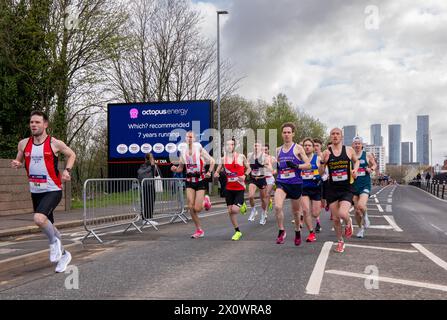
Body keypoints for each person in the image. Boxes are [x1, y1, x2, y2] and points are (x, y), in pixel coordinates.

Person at [11, 110, 76, 273]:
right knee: (50, 227)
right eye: (32, 122)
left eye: (37, 122)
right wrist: (17, 163)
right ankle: (64, 255)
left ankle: (54, 244)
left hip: (53, 189)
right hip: (36, 191)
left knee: (39, 219)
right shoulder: (23, 143)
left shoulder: (54, 143)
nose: (33, 125)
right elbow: (18, 160)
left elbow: (71, 154)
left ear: (45, 124)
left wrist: (67, 170)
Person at [320, 128, 359, 253]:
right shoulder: (326, 152)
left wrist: (355, 170)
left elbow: (356, 161)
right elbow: (321, 173)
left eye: (337, 134)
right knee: (336, 219)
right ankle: (340, 241)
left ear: (341, 136)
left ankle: (348, 221)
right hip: (332, 188)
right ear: (330, 137)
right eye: (333, 134)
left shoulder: (348, 150)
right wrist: (322, 162)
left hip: (346, 188)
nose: (335, 136)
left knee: (343, 214)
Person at [171, 131, 215, 239]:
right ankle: (199, 230)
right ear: (185, 139)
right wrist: (175, 169)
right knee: (190, 206)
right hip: (190, 180)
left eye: (191, 137)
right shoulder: (183, 151)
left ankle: (205, 201)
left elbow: (212, 161)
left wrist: (209, 172)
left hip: (200, 180)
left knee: (197, 209)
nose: (189, 139)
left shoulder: (198, 147)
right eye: (187, 137)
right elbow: (181, 168)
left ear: (194, 139)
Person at [274, 123, 311, 246]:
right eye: (284, 132)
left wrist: (296, 166)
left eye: (289, 132)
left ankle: (297, 231)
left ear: (293, 134)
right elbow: (276, 166)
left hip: (295, 183)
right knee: (278, 207)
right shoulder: (278, 150)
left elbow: (308, 165)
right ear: (282, 134)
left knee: (296, 212)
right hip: (282, 182)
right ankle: (281, 230)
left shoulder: (298, 148)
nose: (286, 134)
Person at [214, 139, 251, 241]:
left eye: (231, 144)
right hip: (229, 188)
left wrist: (244, 175)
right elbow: (217, 170)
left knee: (235, 210)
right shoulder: (223, 159)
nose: (229, 146)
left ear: (234, 146)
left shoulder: (241, 156)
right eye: (227, 145)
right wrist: (216, 173)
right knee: (230, 211)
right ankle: (237, 231)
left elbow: (249, 168)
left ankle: (242, 204)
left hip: (239, 187)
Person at [352, 136, 377, 238]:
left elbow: (374, 165)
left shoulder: (367, 154)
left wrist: (371, 169)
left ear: (362, 145)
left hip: (364, 184)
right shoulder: (350, 156)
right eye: (355, 143)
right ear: (353, 145)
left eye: (359, 143)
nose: (357, 145)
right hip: (353, 185)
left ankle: (366, 217)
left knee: (361, 206)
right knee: (357, 211)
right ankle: (360, 228)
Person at [300, 138, 323, 243]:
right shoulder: (299, 159)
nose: (307, 147)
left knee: (315, 213)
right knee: (305, 210)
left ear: (313, 148)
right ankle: (311, 233)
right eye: (305, 145)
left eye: (309, 145)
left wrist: (319, 176)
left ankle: (316, 218)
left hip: (315, 188)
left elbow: (323, 172)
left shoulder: (317, 158)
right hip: (303, 188)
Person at [247, 142, 272, 225]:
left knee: (263, 199)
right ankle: (254, 210)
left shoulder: (265, 156)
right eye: (254, 145)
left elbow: (270, 168)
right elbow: (247, 166)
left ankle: (263, 213)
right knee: (250, 196)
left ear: (261, 148)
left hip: (261, 179)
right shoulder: (250, 155)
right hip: (253, 179)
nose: (256, 147)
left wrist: (265, 165)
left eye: (258, 146)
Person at [138, 153, 157, 221]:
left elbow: (155, 174)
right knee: (146, 202)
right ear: (148, 159)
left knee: (150, 202)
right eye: (152, 157)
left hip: (149, 186)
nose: (153, 159)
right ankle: (146, 219)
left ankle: (149, 218)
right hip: (147, 186)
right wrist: (152, 165)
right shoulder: (147, 166)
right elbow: (141, 173)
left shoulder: (149, 166)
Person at [263, 144, 276, 222]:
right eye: (263, 150)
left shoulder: (272, 158)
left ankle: (265, 213)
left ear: (268, 150)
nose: (265, 151)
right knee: (264, 196)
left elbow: (275, 170)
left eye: (266, 150)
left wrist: (269, 167)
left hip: (270, 178)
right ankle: (270, 200)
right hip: (262, 179)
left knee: (267, 194)